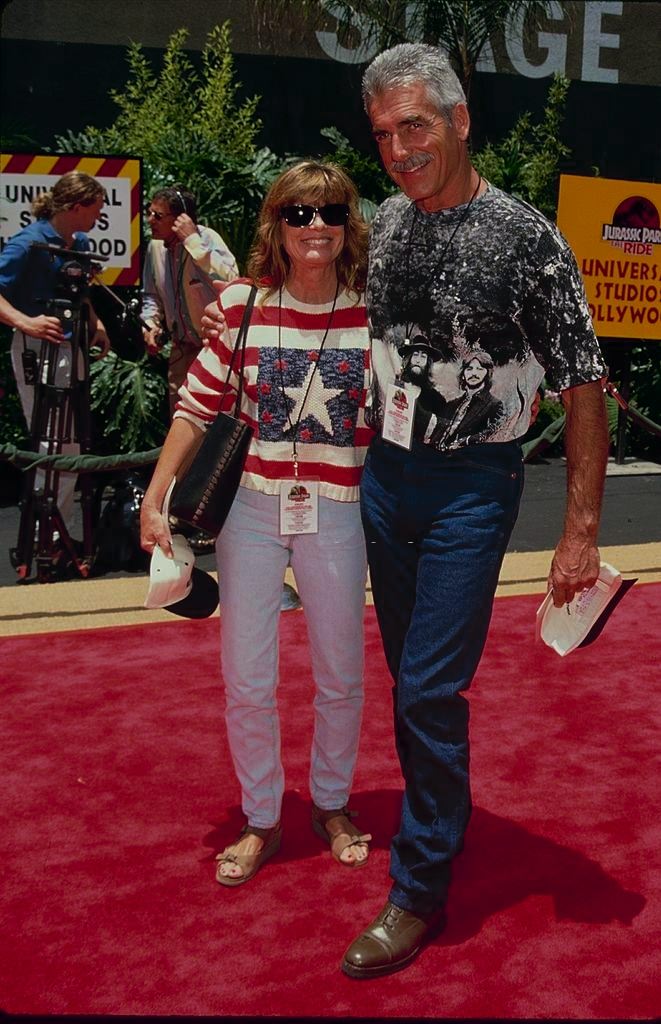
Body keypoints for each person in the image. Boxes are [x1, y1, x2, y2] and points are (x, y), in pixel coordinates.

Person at [340, 43, 609, 979]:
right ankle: (440, 818)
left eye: (415, 125)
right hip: (386, 480)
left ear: (459, 120)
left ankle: (417, 887)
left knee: (426, 688)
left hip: (471, 488)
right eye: (382, 135)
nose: (400, 149)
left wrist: (578, 530)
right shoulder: (389, 223)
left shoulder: (526, 238)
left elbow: (583, 383)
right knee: (412, 687)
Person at [140, 161, 373, 885]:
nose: (316, 227)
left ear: (347, 223)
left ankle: (331, 803)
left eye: (330, 212)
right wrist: (155, 499)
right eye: (299, 213)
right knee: (247, 678)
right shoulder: (241, 303)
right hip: (249, 511)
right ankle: (262, 817)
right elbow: (196, 407)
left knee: (341, 673)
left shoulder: (376, 309)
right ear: (276, 223)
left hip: (337, 511)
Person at [0, 170, 110, 537]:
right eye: (95, 209)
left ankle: (59, 531)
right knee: (53, 441)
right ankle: (43, 534)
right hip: (37, 346)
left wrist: (95, 323)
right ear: (77, 206)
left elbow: (78, 289)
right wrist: (25, 322)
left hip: (69, 345)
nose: (99, 218)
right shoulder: (28, 243)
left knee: (72, 443)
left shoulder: (76, 243)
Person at [141, 184, 239, 417]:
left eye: (158, 215)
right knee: (180, 420)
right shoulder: (155, 248)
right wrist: (150, 324)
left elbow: (231, 280)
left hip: (213, 350)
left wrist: (193, 242)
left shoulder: (206, 239)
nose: (149, 220)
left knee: (214, 422)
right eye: (149, 212)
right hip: (180, 352)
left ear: (180, 219)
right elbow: (150, 295)